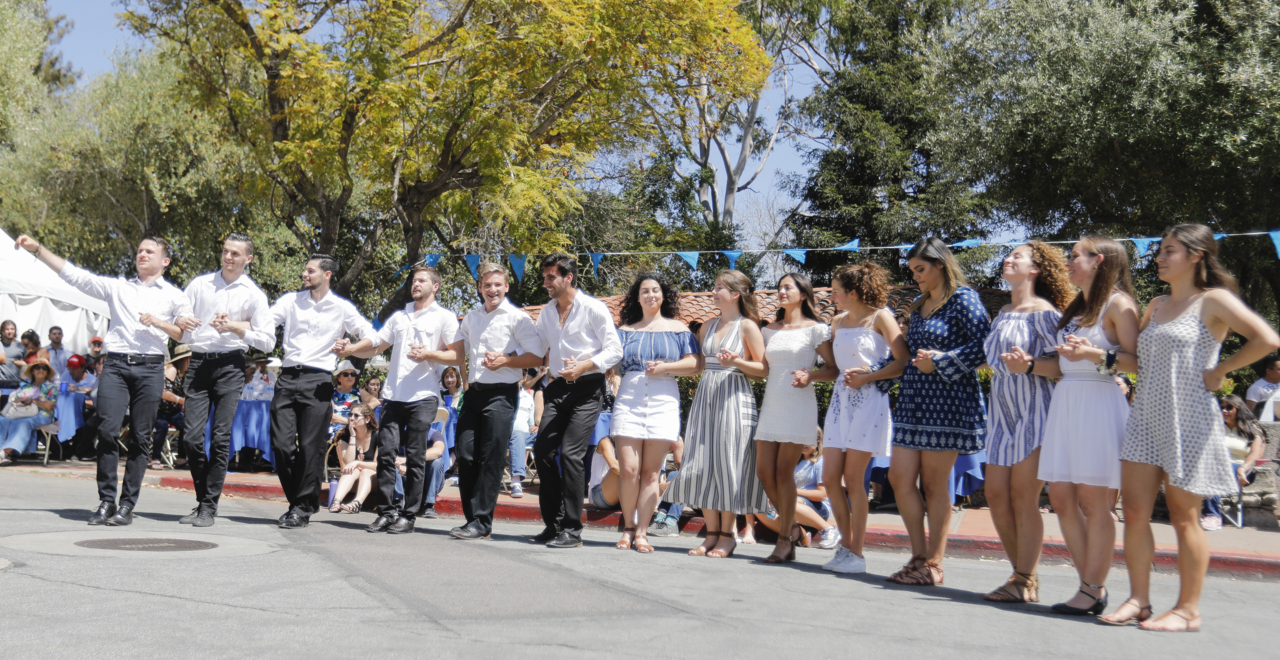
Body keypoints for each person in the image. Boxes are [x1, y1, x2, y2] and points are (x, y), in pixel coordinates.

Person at [1102, 224, 1280, 632]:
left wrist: (1222, 369)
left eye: (1170, 250)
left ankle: (1188, 610)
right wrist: (1100, 357)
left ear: (1197, 255)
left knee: (1185, 517)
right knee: (1133, 512)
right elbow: (1137, 361)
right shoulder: (1156, 304)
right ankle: (1138, 600)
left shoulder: (1213, 300)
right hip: (1145, 416)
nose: (1160, 257)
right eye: (1160, 250)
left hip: (1191, 421)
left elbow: (1267, 338)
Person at [15, 233, 195, 526]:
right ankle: (107, 501)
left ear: (165, 261)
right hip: (117, 366)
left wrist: (159, 322)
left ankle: (127, 505)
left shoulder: (175, 295)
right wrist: (37, 249)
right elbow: (74, 275)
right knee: (108, 430)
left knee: (140, 436)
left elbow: (184, 335)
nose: (142, 254)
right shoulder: (118, 287)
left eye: (150, 251)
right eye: (139, 250)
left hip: (151, 368)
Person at [1033, 236, 1140, 615]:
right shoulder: (1075, 307)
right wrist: (1027, 364)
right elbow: (1064, 366)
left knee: (1096, 504)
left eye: (1074, 255)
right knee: (1061, 497)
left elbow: (1136, 362)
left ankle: (1091, 589)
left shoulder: (1119, 304)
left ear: (1099, 261)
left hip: (1099, 403)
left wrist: (1093, 353)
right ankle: (1091, 585)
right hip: (1066, 403)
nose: (1067, 261)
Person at [886, 237, 991, 586]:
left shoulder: (964, 300)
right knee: (899, 478)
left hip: (947, 403)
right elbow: (907, 351)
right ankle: (917, 556)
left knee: (934, 485)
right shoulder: (919, 304)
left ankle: (934, 562)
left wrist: (943, 362)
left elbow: (985, 345)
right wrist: (872, 377)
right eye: (913, 270)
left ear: (941, 266)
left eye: (921, 269)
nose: (916, 276)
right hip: (914, 399)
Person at [338, 265, 462, 535]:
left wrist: (429, 354)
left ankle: (409, 515)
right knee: (386, 455)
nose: (415, 284)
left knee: (416, 456)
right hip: (393, 396)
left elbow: (458, 356)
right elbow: (376, 344)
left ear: (435, 286)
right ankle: (386, 512)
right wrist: (350, 348)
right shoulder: (399, 316)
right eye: (414, 280)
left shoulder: (445, 317)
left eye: (422, 280)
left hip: (423, 396)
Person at [980, 241, 1072, 602]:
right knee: (995, 494)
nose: (1009, 259)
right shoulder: (1002, 311)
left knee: (1023, 496)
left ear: (1035, 269)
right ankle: (1021, 574)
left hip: (1035, 407)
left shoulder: (1045, 313)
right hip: (1001, 409)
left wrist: (1031, 364)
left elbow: (1064, 366)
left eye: (1017, 256)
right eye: (1009, 254)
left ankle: (1023, 578)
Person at [663, 270, 771, 559]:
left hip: (735, 398)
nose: (713, 292)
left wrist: (737, 361)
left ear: (735, 294)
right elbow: (699, 365)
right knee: (701, 464)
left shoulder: (748, 326)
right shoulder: (707, 326)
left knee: (727, 465)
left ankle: (727, 535)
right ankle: (711, 535)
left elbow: (763, 371)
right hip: (706, 398)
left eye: (719, 288)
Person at [266, 253, 377, 529]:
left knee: (310, 446)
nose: (305, 275)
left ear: (326, 275)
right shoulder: (290, 301)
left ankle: (301, 508)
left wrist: (350, 349)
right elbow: (265, 322)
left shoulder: (341, 307)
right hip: (288, 376)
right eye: (305, 270)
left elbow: (372, 336)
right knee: (280, 444)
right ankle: (301, 501)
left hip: (318, 380)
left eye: (310, 271)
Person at [176, 232, 275, 526]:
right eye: (225, 251)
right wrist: (182, 319)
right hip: (198, 364)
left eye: (235, 253)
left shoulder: (253, 294)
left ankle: (208, 506)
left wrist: (236, 327)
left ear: (248, 259)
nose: (229, 257)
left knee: (220, 439)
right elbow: (179, 314)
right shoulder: (200, 284)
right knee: (192, 438)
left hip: (231, 366)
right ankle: (202, 499)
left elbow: (268, 341)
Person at [441, 263, 545, 540]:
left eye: (498, 284)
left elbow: (536, 357)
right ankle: (471, 519)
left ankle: (482, 522)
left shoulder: (517, 317)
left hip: (502, 394)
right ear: (479, 287)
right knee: (464, 453)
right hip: (473, 393)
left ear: (506, 286)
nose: (492, 290)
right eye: (487, 285)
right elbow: (456, 353)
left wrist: (507, 360)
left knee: (491, 457)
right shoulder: (472, 318)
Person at [529, 253, 624, 549]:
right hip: (558, 388)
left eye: (551, 277)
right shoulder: (546, 311)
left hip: (588, 388)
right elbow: (536, 347)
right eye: (545, 277)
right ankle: (554, 524)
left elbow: (615, 350)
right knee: (543, 449)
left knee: (571, 454)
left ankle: (572, 529)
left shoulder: (594, 308)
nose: (546, 282)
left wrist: (585, 365)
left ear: (568, 277)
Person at [821, 262, 909, 574]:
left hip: (870, 401)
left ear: (853, 293)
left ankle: (856, 553)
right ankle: (846, 545)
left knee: (854, 479)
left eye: (835, 291)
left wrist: (868, 376)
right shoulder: (836, 322)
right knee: (830, 477)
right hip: (840, 402)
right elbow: (834, 367)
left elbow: (902, 361)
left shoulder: (881, 316)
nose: (831, 296)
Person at [608, 272, 702, 553]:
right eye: (645, 291)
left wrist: (665, 368)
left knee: (651, 473)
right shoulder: (624, 331)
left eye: (656, 290)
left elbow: (696, 363)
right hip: (630, 398)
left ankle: (641, 533)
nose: (651, 295)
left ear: (664, 296)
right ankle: (626, 527)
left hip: (664, 399)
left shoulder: (679, 329)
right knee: (629, 470)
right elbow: (609, 362)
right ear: (638, 297)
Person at [755, 272, 837, 564]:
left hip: (799, 405)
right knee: (764, 472)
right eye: (779, 287)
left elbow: (834, 369)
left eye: (787, 287)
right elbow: (762, 369)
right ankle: (791, 530)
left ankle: (783, 541)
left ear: (803, 294)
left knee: (782, 472)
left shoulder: (816, 329)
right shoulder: (768, 330)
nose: (781, 291)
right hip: (772, 405)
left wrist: (810, 375)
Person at [750, 431, 838, 547]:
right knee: (758, 508)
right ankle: (801, 533)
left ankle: (828, 529)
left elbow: (821, 495)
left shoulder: (821, 461)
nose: (804, 445)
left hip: (817, 509)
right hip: (792, 507)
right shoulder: (793, 461)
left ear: (817, 442)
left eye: (808, 441)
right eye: (801, 441)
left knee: (788, 501)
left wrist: (792, 492)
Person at [1200, 395, 1266, 530]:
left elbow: (1256, 454)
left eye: (1229, 407)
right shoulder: (1215, 427)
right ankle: (1197, 512)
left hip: (1241, 468)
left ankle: (1212, 516)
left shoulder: (1252, 428)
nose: (1224, 411)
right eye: (1221, 407)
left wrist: (1243, 468)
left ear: (1239, 409)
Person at [0, 358, 58, 465]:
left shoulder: (52, 387)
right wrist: (19, 400)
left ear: (47, 372)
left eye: (44, 368)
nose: (40, 370)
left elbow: (48, 406)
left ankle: (4, 453)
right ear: (32, 371)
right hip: (21, 414)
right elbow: (14, 401)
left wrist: (32, 401)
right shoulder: (24, 387)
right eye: (37, 367)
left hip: (42, 415)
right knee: (2, 419)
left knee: (23, 423)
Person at [327, 403, 380, 513]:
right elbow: (347, 464)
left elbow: (378, 465)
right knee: (353, 470)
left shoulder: (378, 436)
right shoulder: (344, 436)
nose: (351, 418)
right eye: (350, 415)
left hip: (373, 481)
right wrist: (352, 436)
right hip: (351, 482)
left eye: (356, 416)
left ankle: (357, 503)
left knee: (365, 471)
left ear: (367, 419)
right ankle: (336, 501)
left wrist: (358, 463)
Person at [152, 344, 191, 470]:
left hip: (173, 411)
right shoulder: (171, 370)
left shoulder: (184, 374)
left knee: (188, 425)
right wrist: (181, 400)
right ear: (184, 360)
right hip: (158, 410)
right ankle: (155, 458)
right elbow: (163, 393)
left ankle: (181, 458)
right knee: (162, 426)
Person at [508, 369, 541, 498]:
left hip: (526, 435)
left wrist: (535, 427)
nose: (522, 375)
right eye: (520, 372)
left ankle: (552, 478)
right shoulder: (505, 396)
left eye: (524, 373)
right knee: (518, 434)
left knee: (547, 434)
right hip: (508, 435)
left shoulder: (528, 397)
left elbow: (531, 423)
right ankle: (516, 481)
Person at [587, 435, 622, 510]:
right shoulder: (605, 441)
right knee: (624, 468)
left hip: (619, 498)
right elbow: (614, 466)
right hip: (598, 495)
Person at [329, 360, 362, 437]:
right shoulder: (331, 393)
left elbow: (375, 402)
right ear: (338, 378)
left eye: (353, 374)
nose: (350, 377)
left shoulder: (359, 392)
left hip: (356, 426)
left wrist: (363, 412)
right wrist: (349, 422)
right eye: (345, 374)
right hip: (337, 428)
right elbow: (330, 415)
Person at [0, 320, 23, 390]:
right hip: (2, 382)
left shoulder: (21, 346)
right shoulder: (0, 344)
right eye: (7, 329)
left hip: (17, 382)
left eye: (12, 329)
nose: (10, 332)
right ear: (2, 331)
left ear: (15, 331)